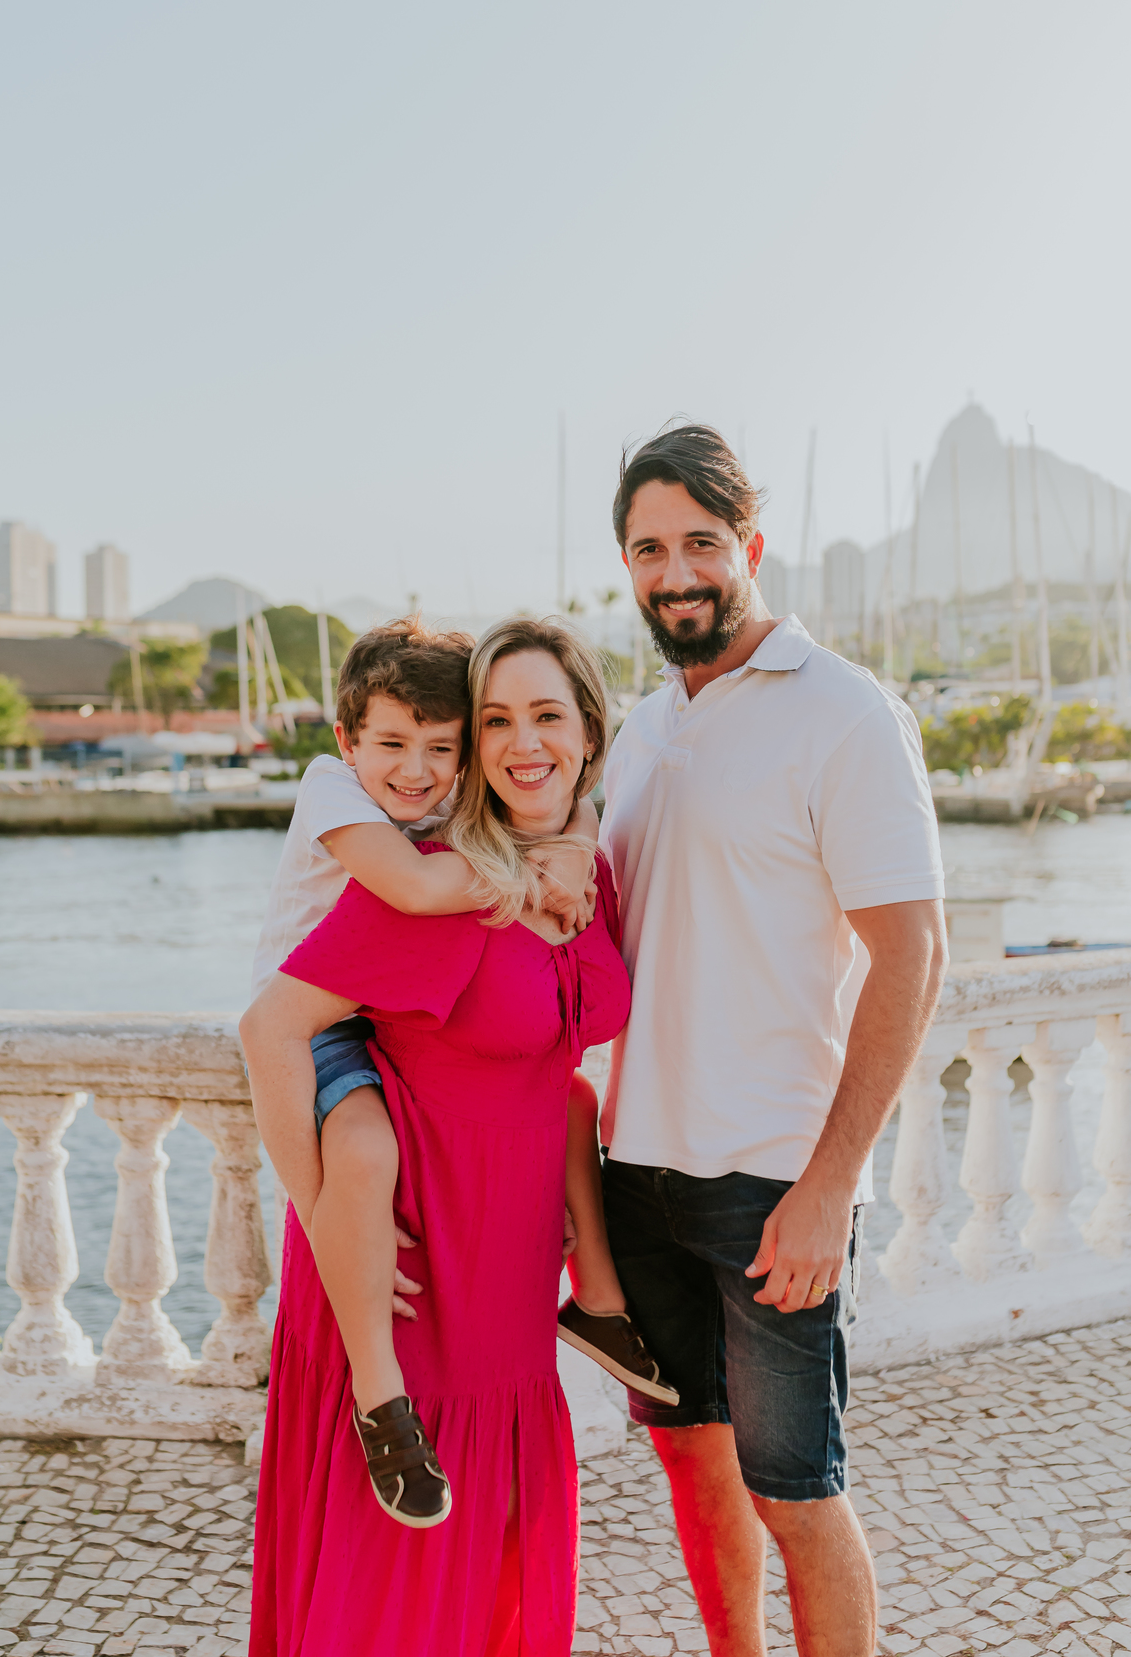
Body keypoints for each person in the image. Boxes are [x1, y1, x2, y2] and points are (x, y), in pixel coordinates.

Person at [242, 618, 665, 1656]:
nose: (522, 742)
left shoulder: (584, 870)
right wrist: (323, 1206)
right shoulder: (434, 888)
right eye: (495, 721)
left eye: (547, 716)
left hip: (512, 1276)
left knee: (499, 1583)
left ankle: (599, 1307)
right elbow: (271, 1029)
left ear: (588, 733)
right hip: (409, 1266)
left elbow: (565, 1061)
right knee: (397, 1599)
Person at [597, 426, 949, 1657]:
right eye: (650, 548)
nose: (675, 570)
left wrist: (832, 1184)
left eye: (701, 541)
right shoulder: (638, 732)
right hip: (633, 1174)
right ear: (626, 566)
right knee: (693, 1468)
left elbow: (912, 954)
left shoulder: (844, 712)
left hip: (770, 1182)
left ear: (749, 544)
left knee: (795, 1491)